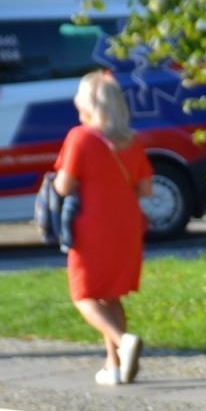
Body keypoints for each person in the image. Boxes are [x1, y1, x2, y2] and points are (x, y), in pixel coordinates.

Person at [52, 71, 153, 387]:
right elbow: (146, 188)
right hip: (127, 225)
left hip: (92, 226)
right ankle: (115, 367)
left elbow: (64, 186)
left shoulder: (80, 138)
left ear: (88, 104)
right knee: (110, 294)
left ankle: (123, 342)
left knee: (83, 295)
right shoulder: (132, 141)